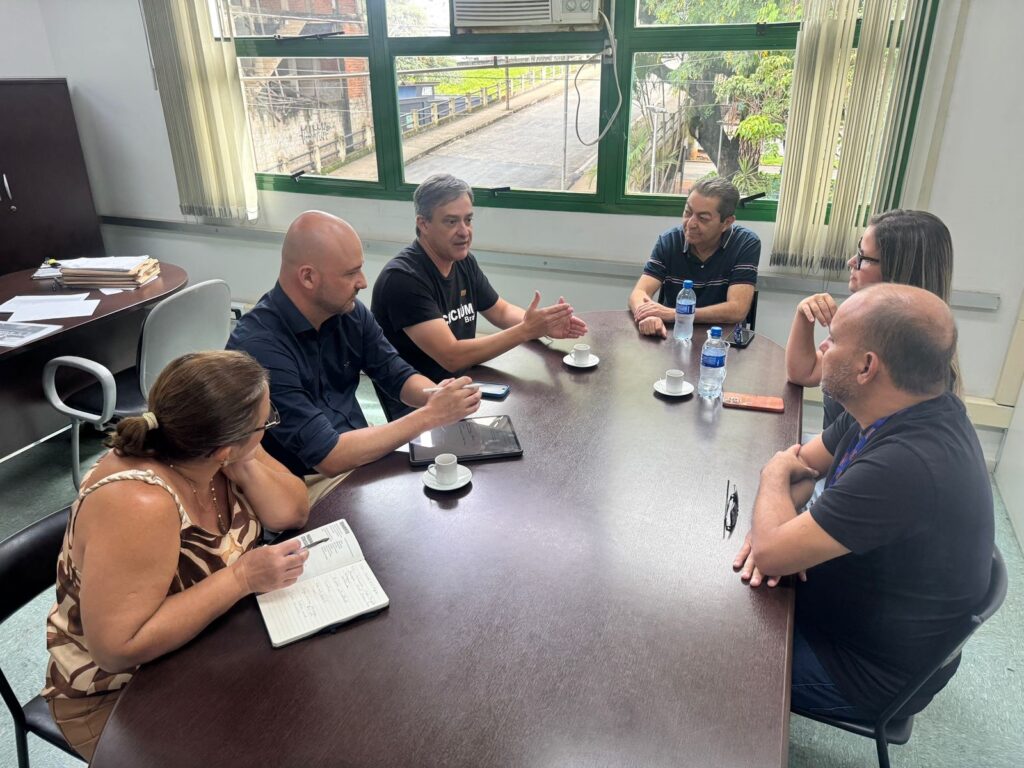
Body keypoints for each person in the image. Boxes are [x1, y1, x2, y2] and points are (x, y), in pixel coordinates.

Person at [733, 284, 993, 721]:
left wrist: (773, 482)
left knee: (711, 643)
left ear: (867, 366)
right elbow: (806, 464)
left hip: (863, 673)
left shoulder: (908, 464)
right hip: (857, 620)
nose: (823, 348)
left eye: (833, 339)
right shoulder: (890, 409)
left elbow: (776, 523)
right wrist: (779, 527)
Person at [42, 351, 311, 760]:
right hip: (116, 695)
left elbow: (291, 512)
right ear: (222, 446)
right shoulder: (138, 503)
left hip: (206, 647)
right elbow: (117, 648)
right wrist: (240, 578)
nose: (267, 426)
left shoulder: (207, 447)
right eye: (265, 422)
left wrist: (243, 462)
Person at [228, 211, 481, 503]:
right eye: (351, 273)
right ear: (308, 277)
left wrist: (439, 395)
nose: (363, 282)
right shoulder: (259, 349)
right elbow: (328, 456)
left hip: (357, 458)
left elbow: (396, 374)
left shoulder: (347, 311)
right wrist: (431, 415)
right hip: (304, 483)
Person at [370, 174, 588, 398]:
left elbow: (501, 311)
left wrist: (542, 325)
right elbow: (452, 356)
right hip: (421, 402)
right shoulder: (403, 279)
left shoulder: (462, 261)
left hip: (465, 385)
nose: (464, 231)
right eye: (451, 221)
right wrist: (526, 330)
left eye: (468, 220)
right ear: (423, 224)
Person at [785, 209, 956, 428]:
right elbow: (804, 372)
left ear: (896, 272)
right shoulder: (870, 329)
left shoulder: (911, 371)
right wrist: (804, 315)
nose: (851, 262)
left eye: (863, 258)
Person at [628, 178, 761, 338]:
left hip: (722, 341)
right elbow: (639, 292)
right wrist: (647, 315)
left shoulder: (745, 243)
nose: (690, 223)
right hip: (675, 336)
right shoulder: (670, 241)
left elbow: (737, 309)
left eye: (703, 218)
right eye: (688, 212)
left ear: (726, 222)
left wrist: (676, 313)